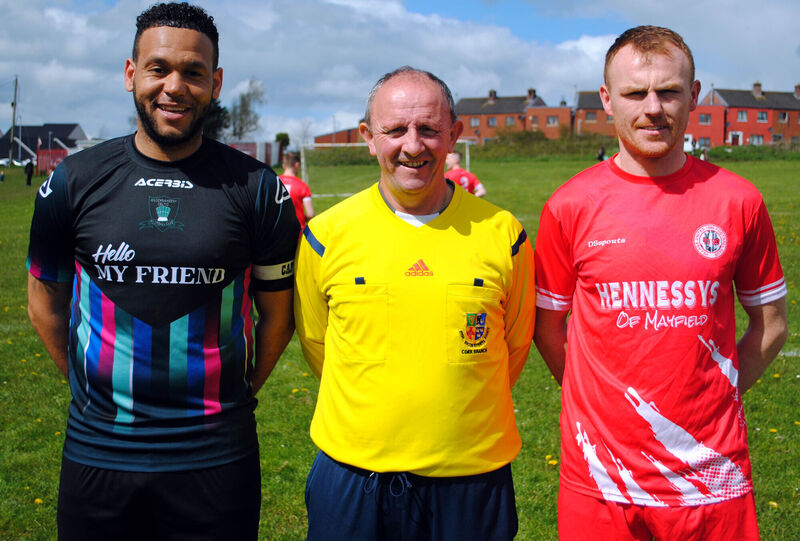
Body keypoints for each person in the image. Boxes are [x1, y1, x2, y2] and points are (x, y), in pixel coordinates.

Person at [26, 3, 299, 540]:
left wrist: (235, 395)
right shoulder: (72, 182)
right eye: (158, 69)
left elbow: (279, 318)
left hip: (217, 456)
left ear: (215, 83)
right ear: (132, 74)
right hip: (98, 452)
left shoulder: (258, 189)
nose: (174, 87)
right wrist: (89, 392)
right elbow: (44, 303)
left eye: (193, 72)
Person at [533, 26, 787, 541]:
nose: (653, 108)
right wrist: (594, 397)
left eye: (668, 91)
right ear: (607, 100)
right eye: (634, 93)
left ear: (693, 95)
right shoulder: (569, 206)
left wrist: (718, 392)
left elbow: (773, 325)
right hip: (599, 475)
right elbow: (546, 327)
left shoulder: (739, 200)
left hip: (712, 474)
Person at [294, 66, 535, 541]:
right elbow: (318, 343)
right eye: (395, 130)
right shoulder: (325, 235)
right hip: (352, 474)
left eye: (428, 129)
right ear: (367, 137)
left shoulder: (503, 234)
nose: (412, 145)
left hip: (471, 475)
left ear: (454, 135)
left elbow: (515, 344)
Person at [280, 151, 315, 231]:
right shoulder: (302, 186)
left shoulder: (274, 182)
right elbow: (310, 214)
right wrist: (303, 218)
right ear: (296, 165)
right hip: (296, 231)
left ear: (283, 166)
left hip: (276, 232)